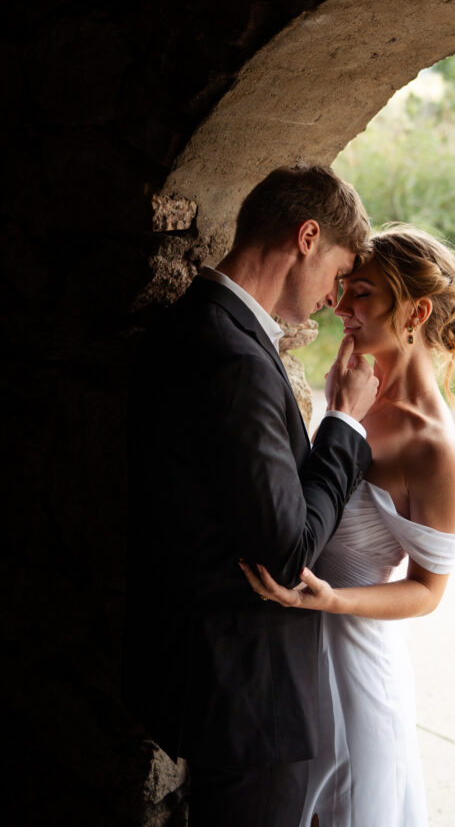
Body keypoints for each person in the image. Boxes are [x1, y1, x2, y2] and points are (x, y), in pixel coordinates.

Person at [123, 164, 380, 827]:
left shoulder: (189, 322)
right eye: (338, 272)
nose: (333, 297)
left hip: (201, 673)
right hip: (251, 698)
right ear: (306, 237)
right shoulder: (235, 358)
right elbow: (287, 551)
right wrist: (344, 424)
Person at [241, 224, 455, 826]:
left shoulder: (434, 448)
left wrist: (330, 601)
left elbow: (427, 591)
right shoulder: (352, 387)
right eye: (345, 287)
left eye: (363, 293)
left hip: (353, 677)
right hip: (288, 661)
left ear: (416, 312)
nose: (341, 305)